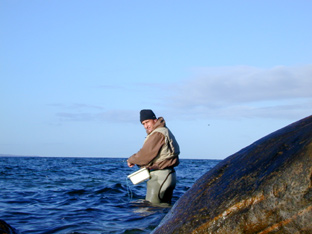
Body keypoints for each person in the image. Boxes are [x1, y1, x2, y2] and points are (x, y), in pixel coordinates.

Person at [127, 109, 180, 204]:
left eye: (147, 122)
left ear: (154, 120)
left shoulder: (158, 133)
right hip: (169, 175)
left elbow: (144, 155)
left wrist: (131, 160)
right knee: (164, 209)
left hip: (161, 177)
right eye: (143, 124)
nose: (145, 126)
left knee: (150, 209)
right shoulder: (164, 130)